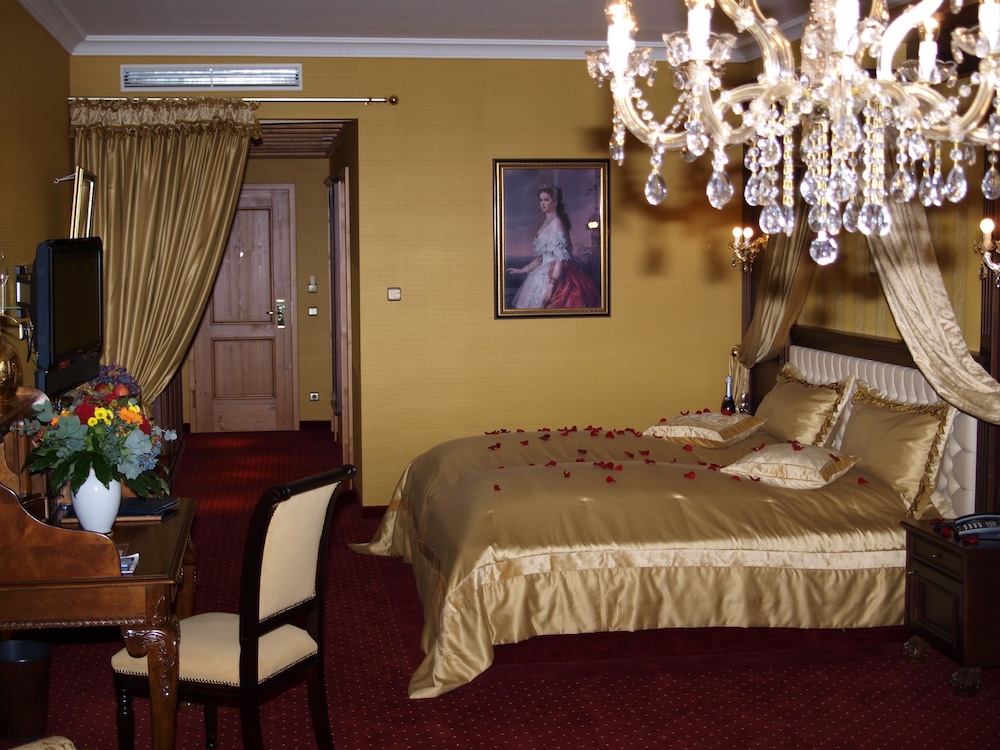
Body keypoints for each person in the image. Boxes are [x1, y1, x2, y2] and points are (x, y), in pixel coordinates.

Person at [508, 186, 599, 309]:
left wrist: (551, 285)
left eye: (546, 200)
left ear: (555, 202)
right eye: (541, 200)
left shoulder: (556, 223)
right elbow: (542, 258)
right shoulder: (546, 223)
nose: (543, 203)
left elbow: (559, 259)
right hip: (543, 272)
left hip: (554, 275)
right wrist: (523, 270)